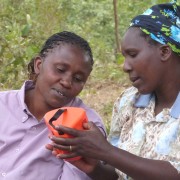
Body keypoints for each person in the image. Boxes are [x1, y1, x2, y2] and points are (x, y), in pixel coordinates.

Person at [46, 1, 180, 179]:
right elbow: (117, 174)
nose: (125, 66)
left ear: (164, 52)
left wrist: (106, 151)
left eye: (132, 54)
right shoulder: (128, 102)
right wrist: (92, 166)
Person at [0, 31, 106, 180]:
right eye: (60, 70)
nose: (67, 82)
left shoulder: (85, 126)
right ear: (39, 65)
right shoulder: (3, 104)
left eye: (78, 78)